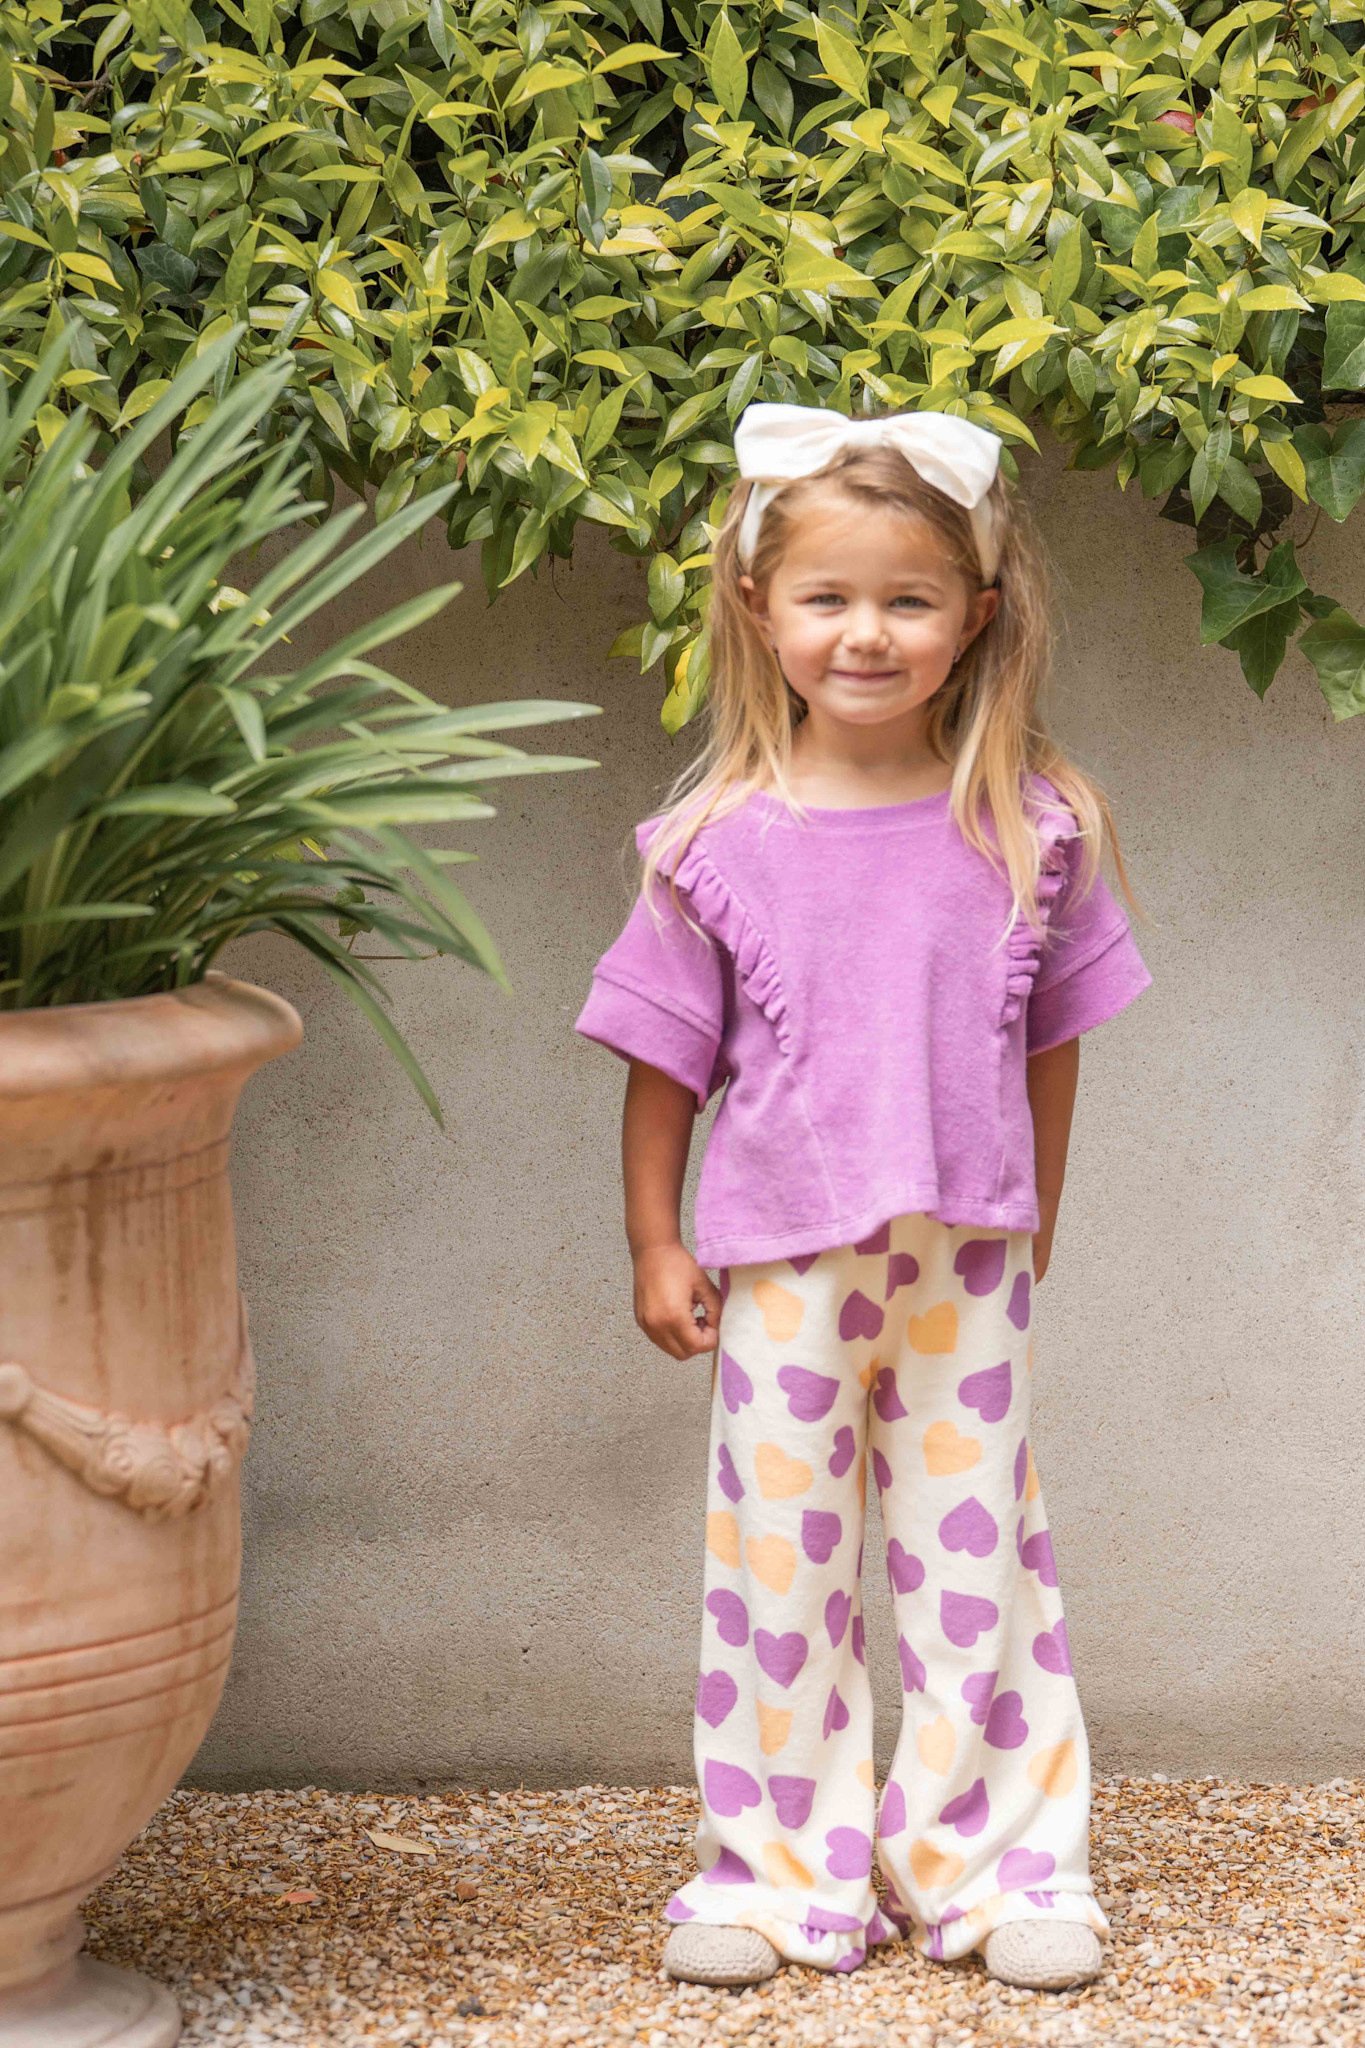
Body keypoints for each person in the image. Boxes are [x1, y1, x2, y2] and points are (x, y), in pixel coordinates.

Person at [573, 402, 1152, 1993]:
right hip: (779, 1266)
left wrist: (1036, 1216)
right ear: (758, 607)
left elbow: (1049, 1046)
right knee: (779, 1568)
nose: (866, 633)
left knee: (979, 1573)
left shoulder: (1028, 828)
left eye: (906, 599)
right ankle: (774, 1882)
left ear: (975, 615)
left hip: (965, 1265)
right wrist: (653, 1239)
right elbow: (661, 1062)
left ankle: (998, 1868)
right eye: (827, 597)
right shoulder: (715, 844)